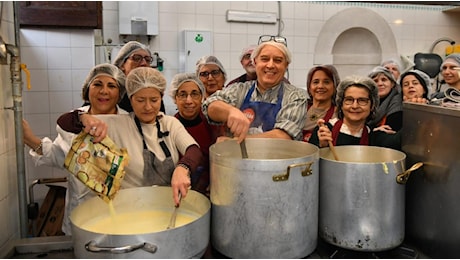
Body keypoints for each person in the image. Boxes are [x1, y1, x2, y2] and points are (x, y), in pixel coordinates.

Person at [58, 67, 202, 206]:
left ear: (161, 98)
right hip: (131, 208)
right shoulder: (119, 124)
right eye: (140, 100)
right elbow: (63, 122)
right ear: (131, 99)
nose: (147, 107)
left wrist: (182, 168)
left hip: (168, 205)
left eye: (154, 100)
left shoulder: (170, 123)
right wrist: (83, 117)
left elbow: (194, 149)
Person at [22, 63, 128, 235]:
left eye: (112, 86)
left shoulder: (128, 123)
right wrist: (29, 138)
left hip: (121, 213)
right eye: (97, 84)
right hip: (81, 211)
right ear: (87, 90)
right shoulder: (73, 121)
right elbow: (59, 157)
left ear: (120, 93)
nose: (104, 91)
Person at [202, 39, 307, 142]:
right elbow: (210, 106)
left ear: (286, 65)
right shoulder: (239, 89)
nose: (270, 65)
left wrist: (235, 142)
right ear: (255, 62)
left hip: (277, 158)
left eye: (278, 60)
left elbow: (283, 136)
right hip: (237, 158)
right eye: (265, 59)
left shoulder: (296, 96)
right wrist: (230, 111)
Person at [308, 75, 401, 151]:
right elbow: (309, 166)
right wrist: (322, 147)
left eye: (362, 100)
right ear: (341, 105)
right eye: (349, 100)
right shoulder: (324, 131)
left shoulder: (374, 136)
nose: (355, 106)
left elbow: (403, 140)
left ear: (372, 106)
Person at [169, 73, 224, 196]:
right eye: (183, 95)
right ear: (175, 98)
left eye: (194, 94)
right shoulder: (169, 127)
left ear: (202, 97)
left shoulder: (214, 125)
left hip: (211, 191)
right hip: (178, 191)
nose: (189, 101)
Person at [112, 40, 166, 113]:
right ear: (122, 64)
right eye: (137, 58)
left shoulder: (154, 91)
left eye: (147, 59)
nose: (143, 63)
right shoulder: (114, 91)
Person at [303, 64, 340, 142]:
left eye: (326, 82)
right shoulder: (300, 108)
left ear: (335, 87)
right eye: (316, 82)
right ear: (309, 87)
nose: (320, 86)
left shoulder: (339, 114)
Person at [367, 66, 403, 132]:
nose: (380, 84)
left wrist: (369, 131)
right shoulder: (366, 101)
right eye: (375, 81)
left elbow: (391, 130)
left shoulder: (397, 103)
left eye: (384, 80)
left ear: (392, 84)